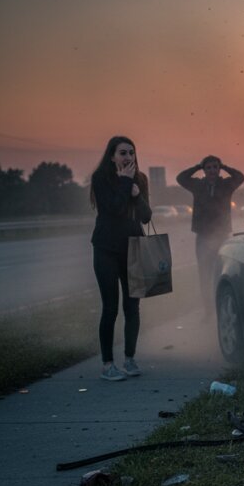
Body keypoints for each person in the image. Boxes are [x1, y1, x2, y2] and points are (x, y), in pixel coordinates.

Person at [90, 135, 152, 381]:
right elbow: (113, 209)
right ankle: (108, 365)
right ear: (112, 156)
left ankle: (129, 359)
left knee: (132, 306)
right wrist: (125, 183)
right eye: (122, 153)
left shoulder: (141, 179)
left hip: (133, 248)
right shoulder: (101, 178)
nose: (128, 157)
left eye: (131, 152)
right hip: (106, 249)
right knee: (110, 307)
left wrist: (137, 195)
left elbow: (146, 216)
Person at [176, 156, 244, 309]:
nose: (212, 170)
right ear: (204, 170)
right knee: (204, 274)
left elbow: (240, 177)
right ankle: (208, 310)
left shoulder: (227, 185)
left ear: (219, 169)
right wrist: (197, 166)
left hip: (221, 236)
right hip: (202, 237)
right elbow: (180, 178)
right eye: (208, 167)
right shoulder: (197, 185)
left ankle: (221, 307)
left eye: (215, 167)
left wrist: (224, 166)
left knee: (221, 272)